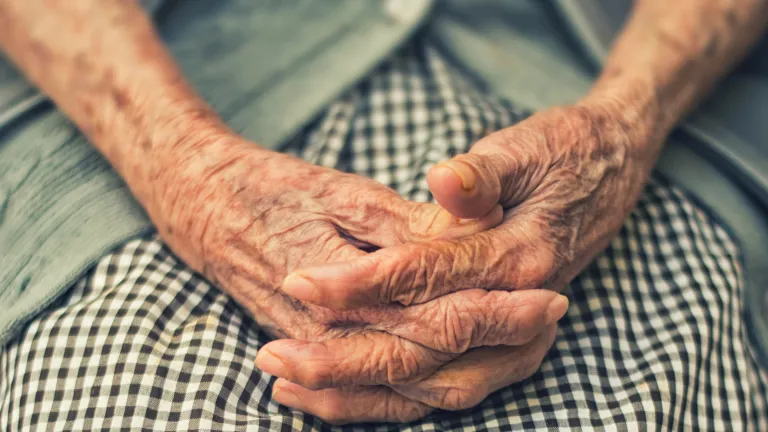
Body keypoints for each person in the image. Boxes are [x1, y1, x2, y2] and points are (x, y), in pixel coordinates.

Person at [0, 0, 766, 429]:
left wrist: (627, 123)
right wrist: (187, 171)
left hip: (602, 90)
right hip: (156, 108)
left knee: (647, 394)